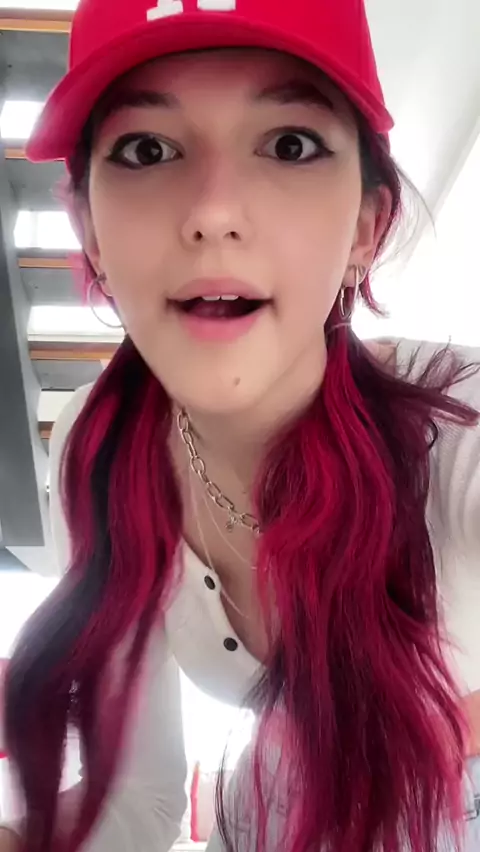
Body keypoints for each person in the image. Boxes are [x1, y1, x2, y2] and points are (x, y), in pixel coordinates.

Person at [1, 0, 480, 849]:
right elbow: (137, 803)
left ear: (366, 225)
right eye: (147, 150)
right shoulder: (97, 448)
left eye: (290, 144)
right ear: (88, 230)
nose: (213, 212)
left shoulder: (459, 428)